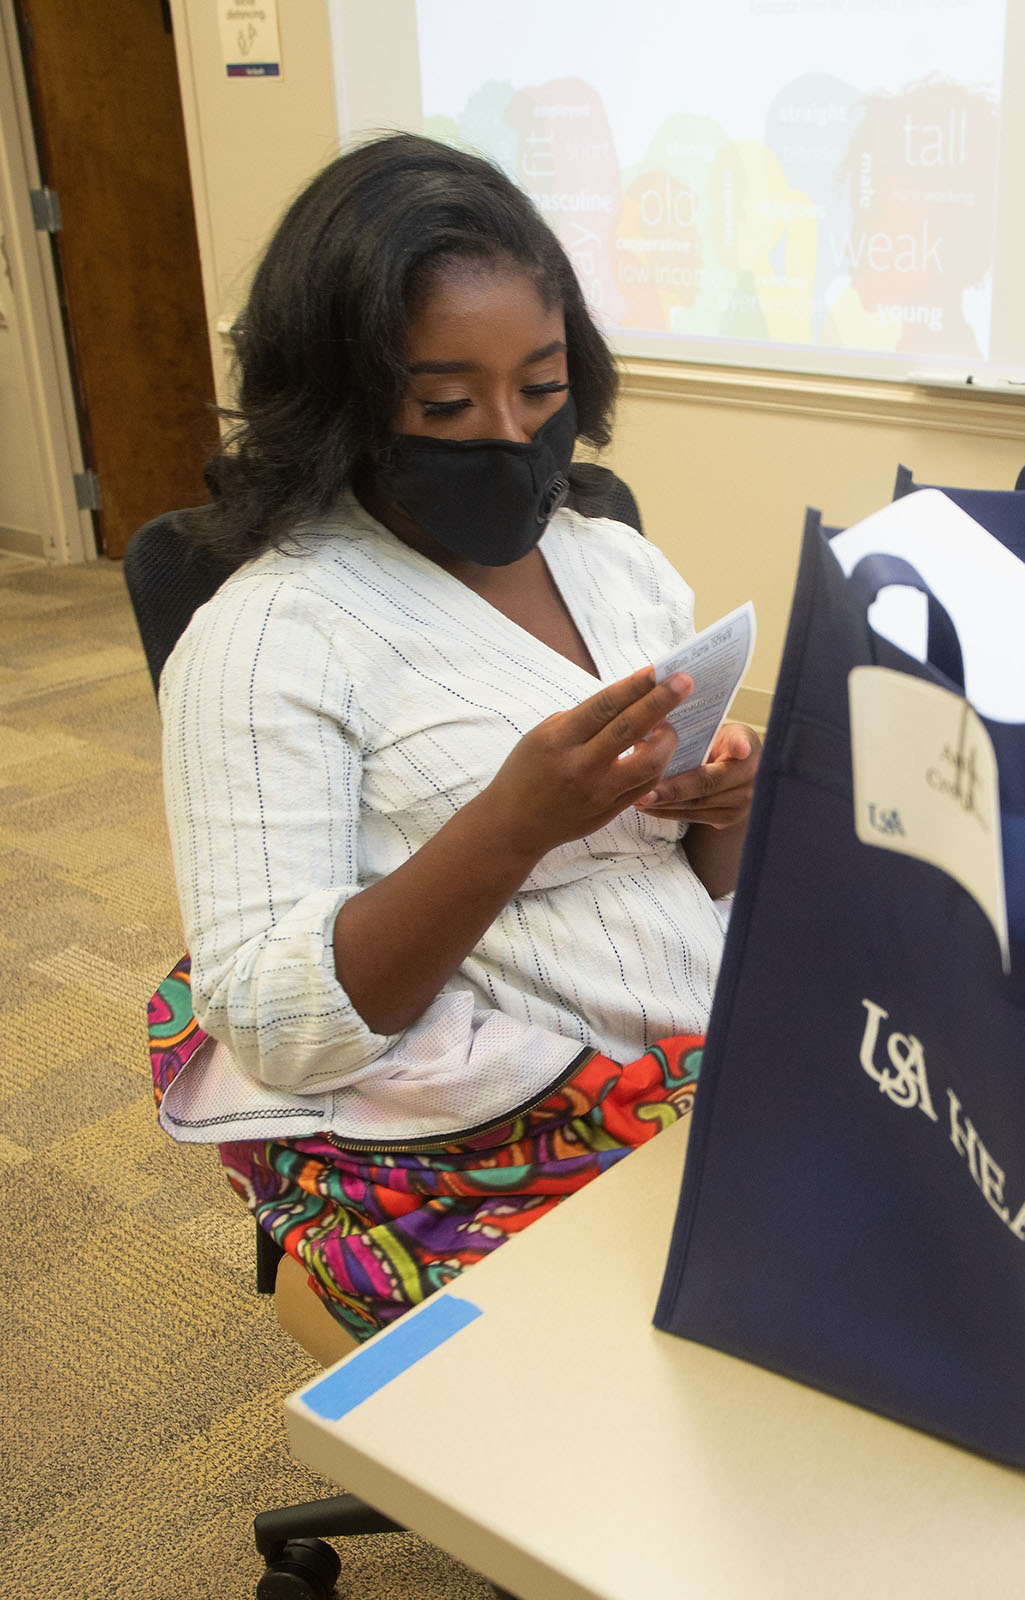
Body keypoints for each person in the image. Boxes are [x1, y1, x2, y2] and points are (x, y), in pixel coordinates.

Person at [149, 134, 758, 1341]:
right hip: (497, 1134)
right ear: (342, 406)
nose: (507, 432)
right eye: (443, 403)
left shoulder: (615, 563)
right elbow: (272, 1024)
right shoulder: (273, 635)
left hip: (713, 1059)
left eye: (539, 388)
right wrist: (506, 829)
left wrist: (724, 815)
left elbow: (692, 881)